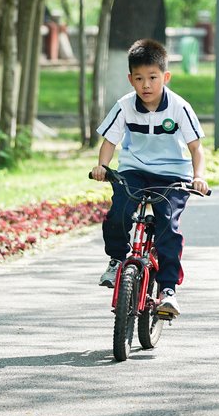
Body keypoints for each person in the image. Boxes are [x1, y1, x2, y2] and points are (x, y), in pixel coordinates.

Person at [90, 39, 209, 318]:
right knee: (119, 210)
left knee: (168, 227)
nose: (146, 85)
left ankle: (168, 291)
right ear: (130, 79)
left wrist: (199, 177)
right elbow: (109, 142)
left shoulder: (179, 107)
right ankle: (117, 259)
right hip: (135, 170)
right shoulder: (124, 106)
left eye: (153, 78)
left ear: (165, 77)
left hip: (173, 175)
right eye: (140, 79)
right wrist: (102, 166)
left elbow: (196, 148)